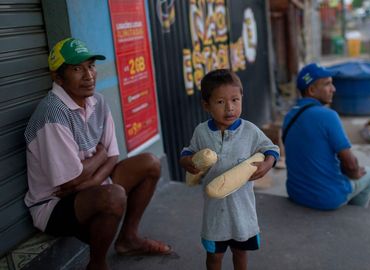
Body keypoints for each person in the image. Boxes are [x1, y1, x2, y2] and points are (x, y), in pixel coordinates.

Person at [24, 38, 171, 270]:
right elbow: (70, 181)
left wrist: (93, 174)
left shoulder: (98, 102)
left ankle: (128, 239)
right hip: (54, 204)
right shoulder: (52, 114)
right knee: (113, 196)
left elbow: (112, 156)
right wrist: (100, 158)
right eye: (76, 69)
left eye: (90, 66)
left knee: (150, 163)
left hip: (87, 188)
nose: (88, 75)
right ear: (58, 78)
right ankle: (97, 264)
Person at [179, 69, 279, 270]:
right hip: (215, 212)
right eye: (220, 102)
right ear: (206, 105)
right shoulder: (201, 132)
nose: (230, 108)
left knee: (240, 254)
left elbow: (271, 148)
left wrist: (268, 164)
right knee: (214, 256)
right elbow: (187, 153)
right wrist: (187, 162)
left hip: (242, 210)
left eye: (235, 100)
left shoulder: (250, 131)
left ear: (242, 98)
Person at [282, 63, 370, 210]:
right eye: (327, 84)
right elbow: (351, 165)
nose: (334, 89)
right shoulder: (328, 116)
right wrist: (356, 173)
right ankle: (355, 216)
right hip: (328, 199)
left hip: (296, 194)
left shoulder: (289, 116)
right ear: (312, 90)